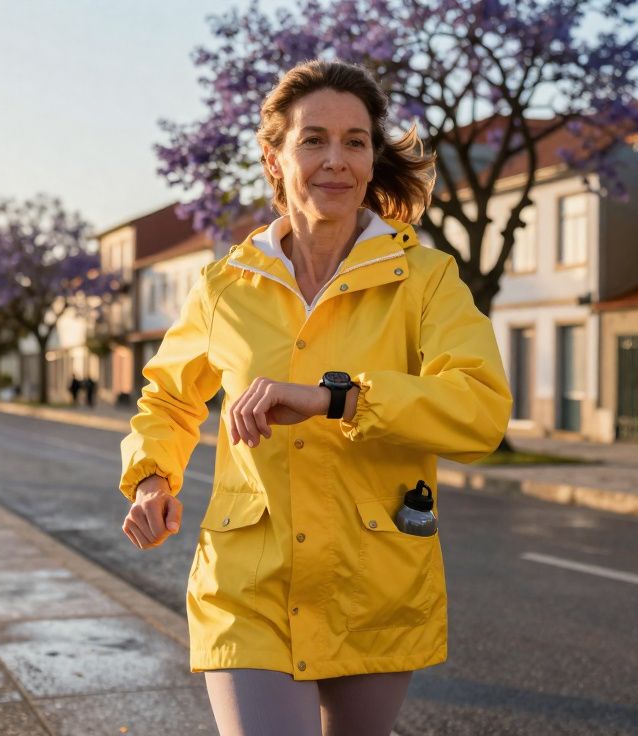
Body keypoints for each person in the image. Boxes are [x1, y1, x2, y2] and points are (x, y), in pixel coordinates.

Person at [117, 60, 511, 736]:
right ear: (274, 158)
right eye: (314, 140)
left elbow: (478, 405)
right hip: (246, 580)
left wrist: (340, 400)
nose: (337, 160)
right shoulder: (225, 286)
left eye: (356, 141)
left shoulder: (424, 278)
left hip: (375, 574)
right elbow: (170, 400)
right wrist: (153, 477)